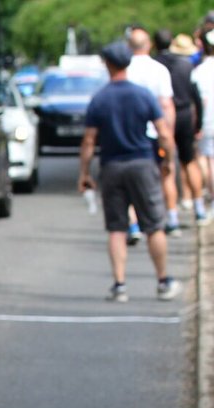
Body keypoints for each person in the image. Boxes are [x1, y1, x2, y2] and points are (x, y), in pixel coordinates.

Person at [79, 40, 182, 302]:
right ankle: (163, 281)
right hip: (143, 163)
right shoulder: (143, 95)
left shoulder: (100, 98)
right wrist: (168, 161)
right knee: (154, 226)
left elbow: (89, 140)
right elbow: (163, 133)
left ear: (108, 64)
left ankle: (120, 285)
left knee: (116, 228)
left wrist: (85, 173)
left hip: (112, 165)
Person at [126, 26, 177, 240]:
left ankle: (133, 224)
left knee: (130, 181)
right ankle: (171, 218)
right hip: (156, 134)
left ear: (129, 46)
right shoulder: (159, 70)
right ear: (149, 45)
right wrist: (169, 135)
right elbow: (166, 105)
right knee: (165, 174)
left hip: (131, 135)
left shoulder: (125, 70)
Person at [154, 30, 208, 226]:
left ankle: (172, 217)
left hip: (162, 119)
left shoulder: (155, 65)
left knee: (167, 167)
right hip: (184, 117)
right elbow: (197, 98)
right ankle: (199, 208)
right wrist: (198, 123)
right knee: (189, 162)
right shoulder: (185, 66)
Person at [193, 30, 214, 200]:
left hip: (206, 120)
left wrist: (197, 124)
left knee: (206, 158)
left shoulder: (199, 71)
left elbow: (200, 101)